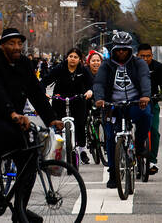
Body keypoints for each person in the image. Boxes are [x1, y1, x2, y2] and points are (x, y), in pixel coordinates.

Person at [0, 28, 61, 222]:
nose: (17, 47)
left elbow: (36, 92)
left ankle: (20, 210)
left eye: (19, 43)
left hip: (13, 116)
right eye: (11, 43)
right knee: (5, 134)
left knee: (29, 162)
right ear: (2, 45)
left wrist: (51, 118)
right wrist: (12, 113)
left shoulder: (25, 64)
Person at [93, 31, 152, 188]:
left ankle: (139, 144)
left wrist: (145, 96)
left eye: (124, 49)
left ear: (129, 49)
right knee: (111, 137)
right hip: (113, 106)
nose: (121, 52)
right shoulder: (106, 65)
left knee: (146, 115)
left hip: (135, 103)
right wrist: (99, 98)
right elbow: (98, 83)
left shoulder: (138, 63)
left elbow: (144, 78)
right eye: (118, 49)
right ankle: (113, 173)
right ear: (113, 49)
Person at [41, 47, 93, 164]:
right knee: (58, 126)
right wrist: (44, 93)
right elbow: (44, 81)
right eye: (70, 56)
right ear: (67, 58)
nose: (73, 59)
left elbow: (91, 84)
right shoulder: (59, 68)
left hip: (78, 100)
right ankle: (56, 151)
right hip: (60, 100)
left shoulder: (83, 70)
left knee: (80, 125)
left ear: (80, 59)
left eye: (75, 57)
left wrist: (90, 91)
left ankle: (82, 150)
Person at [137, 43, 161, 175]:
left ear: (152, 55)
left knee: (154, 131)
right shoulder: (132, 67)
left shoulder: (158, 67)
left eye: (148, 56)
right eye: (142, 56)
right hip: (134, 103)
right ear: (137, 56)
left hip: (152, 103)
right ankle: (132, 156)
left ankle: (152, 160)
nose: (145, 59)